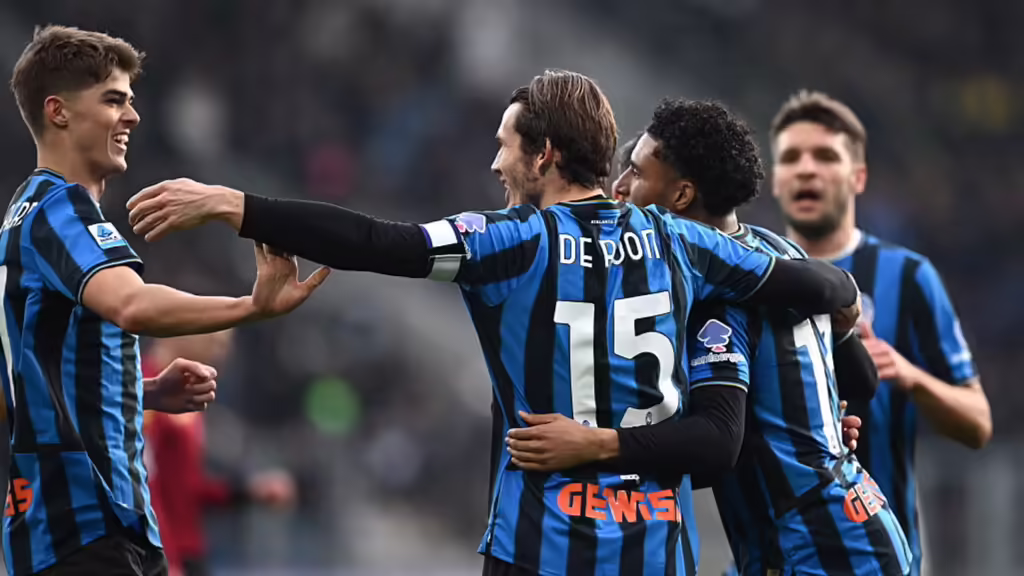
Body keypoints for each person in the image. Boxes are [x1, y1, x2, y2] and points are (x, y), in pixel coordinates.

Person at [126, 70, 861, 576]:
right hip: (655, 551)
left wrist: (237, 206)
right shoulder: (682, 242)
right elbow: (816, 286)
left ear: (544, 155)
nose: (495, 163)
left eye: (506, 145)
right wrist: (846, 312)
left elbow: (379, 242)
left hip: (541, 544)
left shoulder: (511, 242)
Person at [503, 99, 910, 575]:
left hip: (819, 552)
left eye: (637, 173)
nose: (618, 186)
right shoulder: (780, 254)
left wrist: (596, 445)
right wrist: (815, 423)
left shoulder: (715, 298)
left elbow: (716, 443)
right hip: (859, 524)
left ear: (680, 197)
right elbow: (862, 381)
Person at [1, 26, 327, 576]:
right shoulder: (60, 210)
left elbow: (27, 382)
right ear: (58, 112)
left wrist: (144, 391)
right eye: (113, 101)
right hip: (83, 523)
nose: (132, 117)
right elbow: (131, 305)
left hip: (77, 525)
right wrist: (252, 307)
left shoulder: (24, 215)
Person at [769, 91, 991, 575]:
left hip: (880, 558)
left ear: (858, 176)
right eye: (791, 157)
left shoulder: (908, 276)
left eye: (825, 156)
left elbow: (978, 424)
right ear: (776, 179)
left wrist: (912, 376)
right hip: (774, 559)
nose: (806, 169)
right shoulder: (750, 277)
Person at [143, 331, 297, 576]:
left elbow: (186, 487)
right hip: (161, 555)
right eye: (216, 343)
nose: (223, 353)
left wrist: (248, 492)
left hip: (187, 551)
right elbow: (144, 486)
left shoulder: (182, 394)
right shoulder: (145, 392)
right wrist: (164, 558)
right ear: (184, 332)